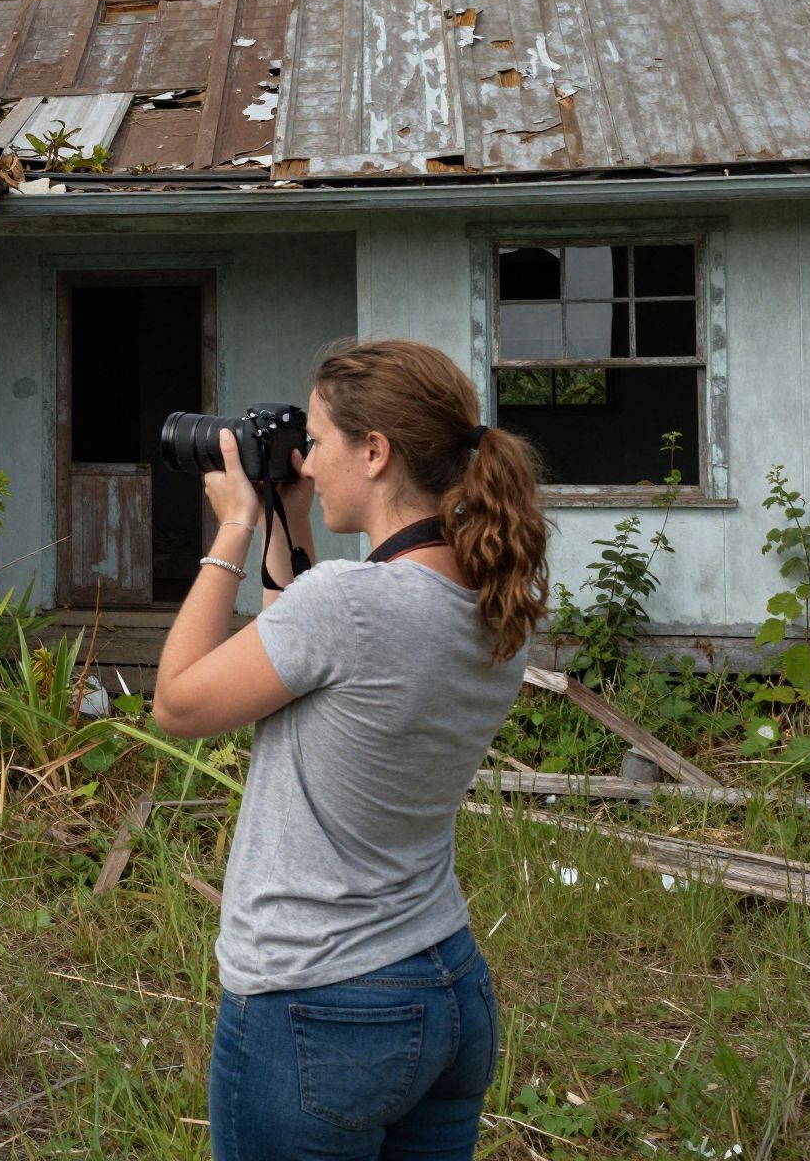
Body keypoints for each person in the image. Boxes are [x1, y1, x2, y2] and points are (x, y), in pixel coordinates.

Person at [152, 339, 550, 1161]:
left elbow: (178, 704)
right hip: (444, 983)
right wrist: (291, 522)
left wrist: (236, 525)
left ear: (375, 452)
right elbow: (301, 652)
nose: (306, 459)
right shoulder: (491, 606)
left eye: (319, 439)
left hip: (317, 1001)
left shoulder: (351, 603)